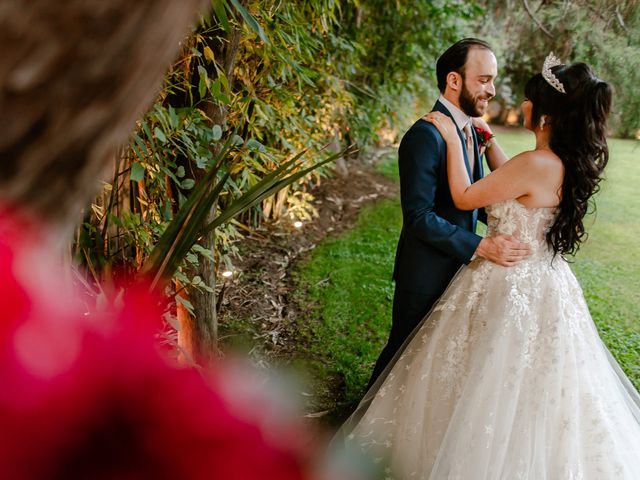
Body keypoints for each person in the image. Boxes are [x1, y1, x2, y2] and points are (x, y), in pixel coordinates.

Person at [340, 55, 640, 478]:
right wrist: (488, 142)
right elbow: (514, 188)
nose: (521, 104)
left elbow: (466, 196)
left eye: (528, 100)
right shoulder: (561, 161)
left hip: (508, 278)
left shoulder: (533, 164)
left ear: (545, 114)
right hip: (544, 279)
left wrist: (448, 133)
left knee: (485, 366)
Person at [367, 38, 531, 388]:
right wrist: (481, 246)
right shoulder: (425, 135)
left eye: (492, 80)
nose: (492, 90)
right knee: (401, 354)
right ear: (454, 80)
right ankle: (360, 426)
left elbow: (471, 198)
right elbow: (419, 216)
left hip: (460, 269)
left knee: (434, 359)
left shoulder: (472, 131)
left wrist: (509, 224)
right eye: (484, 79)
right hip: (425, 272)